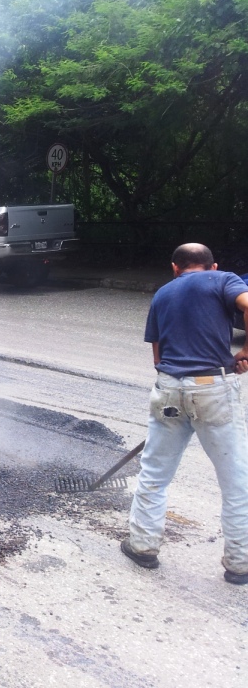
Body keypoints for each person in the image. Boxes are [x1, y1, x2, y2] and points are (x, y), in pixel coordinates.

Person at [121, 243, 248, 585]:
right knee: (236, 481)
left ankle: (143, 546)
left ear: (174, 268)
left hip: (168, 387)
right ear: (212, 265)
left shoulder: (162, 294)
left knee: (154, 474)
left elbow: (157, 356)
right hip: (213, 388)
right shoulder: (223, 280)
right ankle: (240, 565)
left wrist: (176, 390)